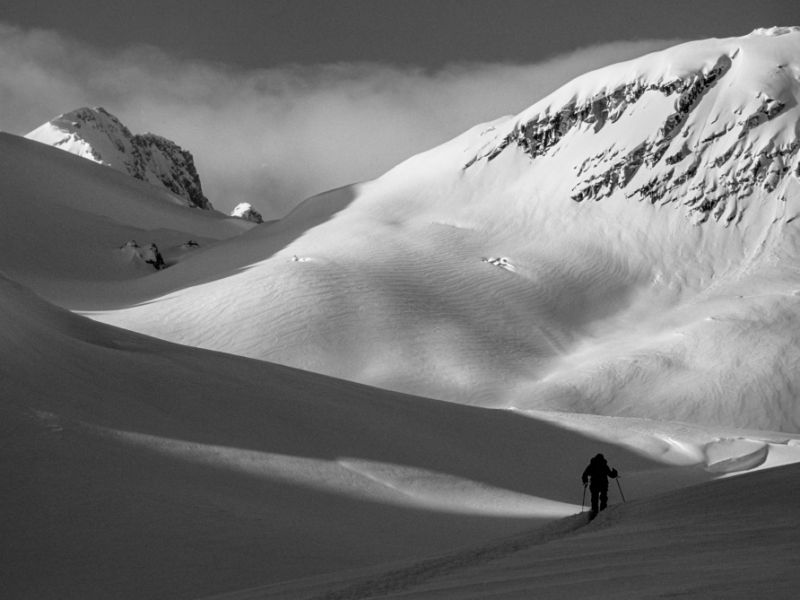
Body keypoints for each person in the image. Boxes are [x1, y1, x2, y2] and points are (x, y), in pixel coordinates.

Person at [581, 453, 618, 518]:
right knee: (603, 498)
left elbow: (585, 474)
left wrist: (585, 481)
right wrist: (615, 473)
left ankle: (594, 512)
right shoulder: (604, 465)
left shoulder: (592, 465)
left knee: (594, 498)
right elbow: (611, 475)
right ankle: (603, 511)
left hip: (594, 484)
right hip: (603, 484)